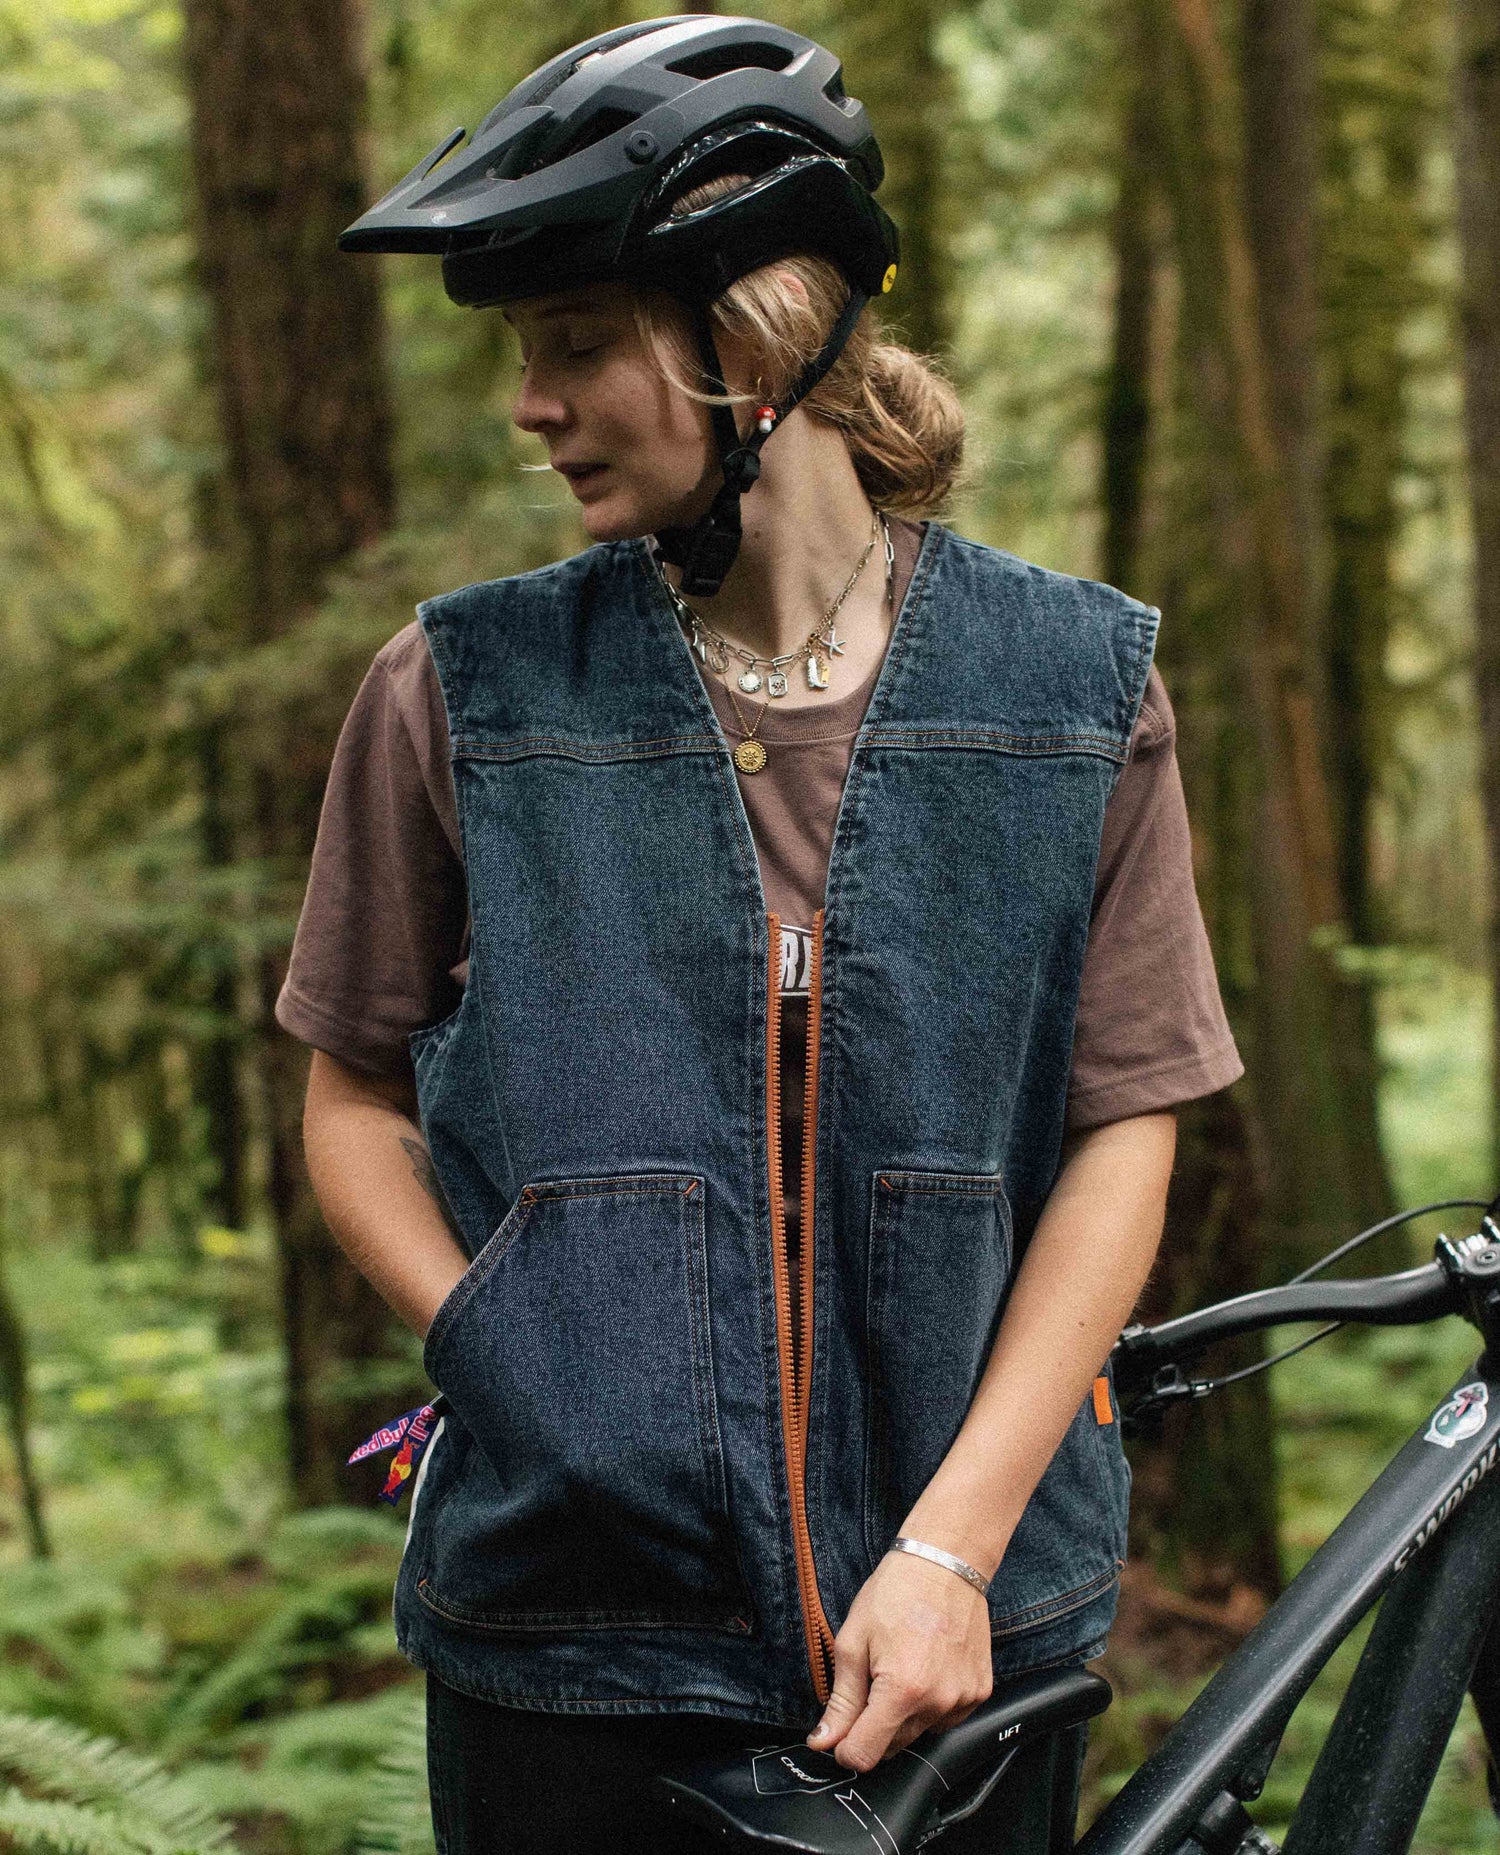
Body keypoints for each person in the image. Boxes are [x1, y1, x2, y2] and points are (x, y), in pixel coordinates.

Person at [276, 17, 1245, 1853]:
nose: (530, 406)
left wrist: (953, 1548)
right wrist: (515, 1351)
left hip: (964, 1645)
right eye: (521, 355)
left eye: (576, 343)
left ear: (761, 342)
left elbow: (1128, 1124)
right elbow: (351, 1101)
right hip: (569, 1642)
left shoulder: (1072, 690)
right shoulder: (459, 691)